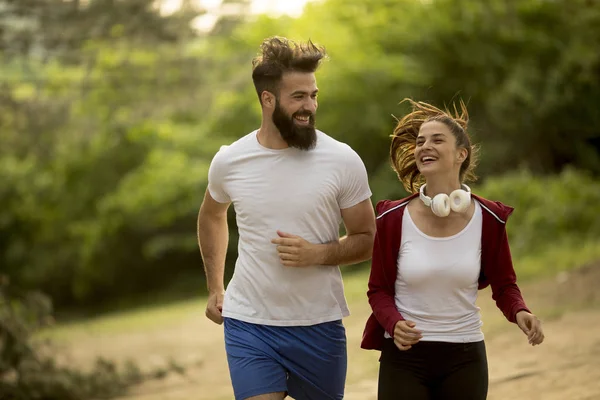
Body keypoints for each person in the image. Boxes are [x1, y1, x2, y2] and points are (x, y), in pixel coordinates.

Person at [197, 36, 376, 400]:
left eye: (313, 95)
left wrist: (319, 254)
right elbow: (212, 216)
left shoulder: (341, 160)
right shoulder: (230, 161)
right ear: (267, 99)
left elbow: (368, 237)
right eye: (298, 97)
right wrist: (216, 287)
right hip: (249, 323)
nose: (309, 106)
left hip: (318, 324)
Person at [360, 99, 545, 400]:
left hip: (465, 356)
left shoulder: (490, 218)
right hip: (404, 358)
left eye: (436, 140)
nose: (424, 147)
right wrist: (393, 324)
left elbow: (504, 284)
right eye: (420, 142)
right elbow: (377, 289)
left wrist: (520, 311)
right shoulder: (392, 218)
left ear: (461, 154)